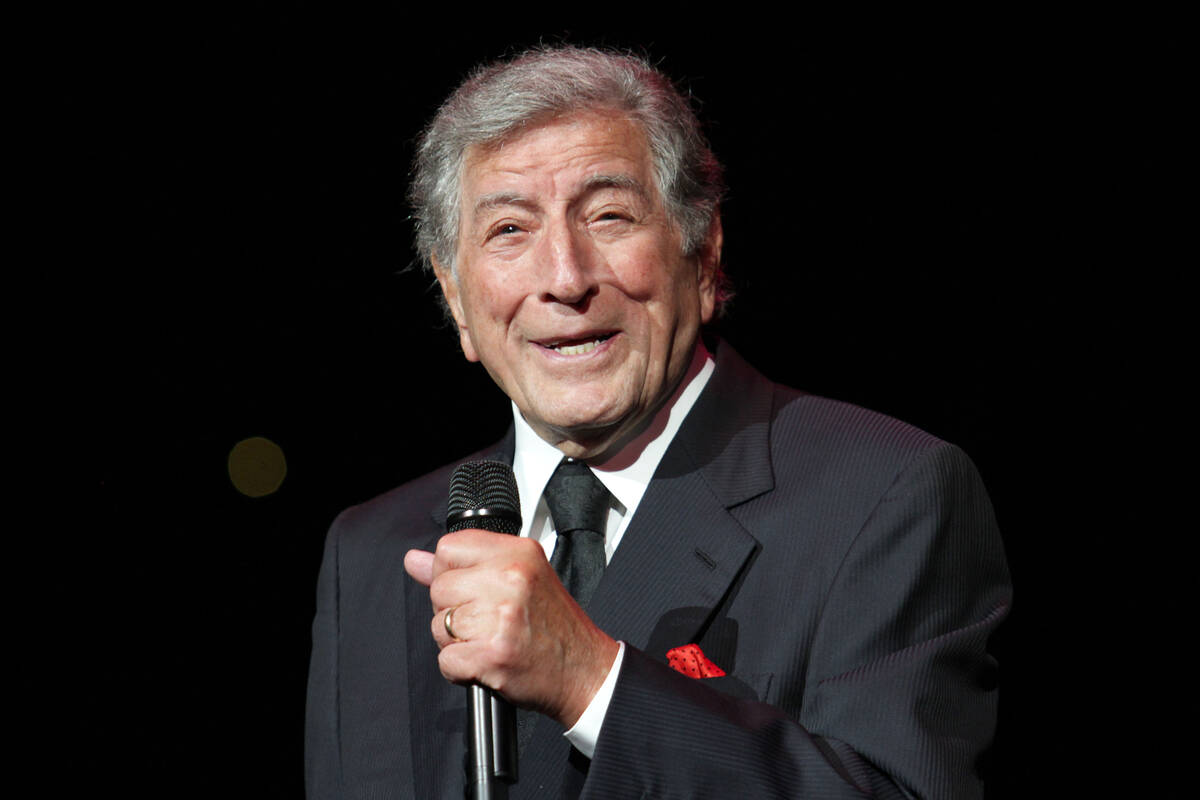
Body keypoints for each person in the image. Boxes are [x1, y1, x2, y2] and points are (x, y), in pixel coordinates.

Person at [305, 45, 1011, 799]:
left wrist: (593, 683)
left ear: (703, 256)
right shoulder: (372, 551)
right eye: (509, 230)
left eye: (609, 216)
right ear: (455, 300)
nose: (565, 278)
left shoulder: (882, 495)